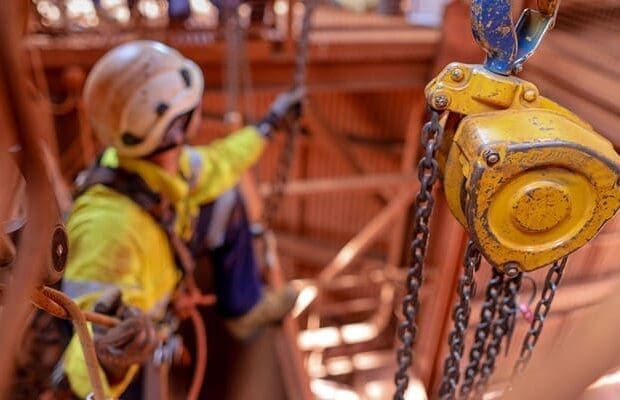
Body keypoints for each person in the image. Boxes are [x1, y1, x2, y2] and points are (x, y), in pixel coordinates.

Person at [61, 40, 303, 398]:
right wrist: (109, 364)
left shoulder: (162, 169)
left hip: (154, 286)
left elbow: (222, 164)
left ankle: (244, 307)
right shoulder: (109, 227)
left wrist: (267, 127)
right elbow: (83, 334)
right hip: (130, 352)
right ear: (176, 128)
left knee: (225, 196)